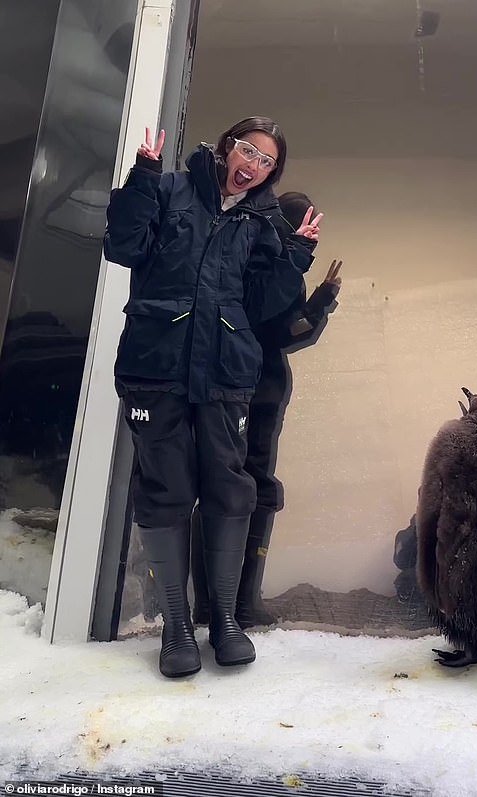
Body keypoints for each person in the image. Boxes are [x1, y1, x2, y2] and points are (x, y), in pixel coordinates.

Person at [104, 117, 323, 678]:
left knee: (229, 487)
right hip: (156, 369)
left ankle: (223, 620)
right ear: (228, 147)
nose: (253, 164)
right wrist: (141, 180)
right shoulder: (172, 188)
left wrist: (296, 257)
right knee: (166, 488)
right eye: (248, 150)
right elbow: (124, 247)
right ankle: (177, 627)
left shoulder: (262, 221)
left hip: (226, 375)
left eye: (267, 161)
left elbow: (263, 305)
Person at [190, 192, 342, 630]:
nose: (309, 230)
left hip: (252, 384)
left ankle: (228, 601)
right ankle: (230, 603)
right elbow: (279, 332)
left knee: (236, 483)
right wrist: (320, 303)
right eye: (306, 222)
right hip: (250, 384)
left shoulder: (263, 258)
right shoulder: (269, 263)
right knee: (242, 483)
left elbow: (281, 331)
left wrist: (320, 300)